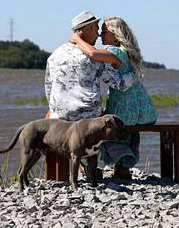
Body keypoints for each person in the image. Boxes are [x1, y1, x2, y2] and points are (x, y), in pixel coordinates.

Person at [45, 11, 135, 179]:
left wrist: (54, 109)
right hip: (87, 118)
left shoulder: (54, 55)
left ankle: (79, 167)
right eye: (95, 28)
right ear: (83, 30)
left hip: (58, 118)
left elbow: (48, 89)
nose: (98, 34)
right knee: (115, 122)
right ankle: (121, 164)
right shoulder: (93, 58)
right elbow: (120, 84)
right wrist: (135, 74)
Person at [70, 16, 157, 179]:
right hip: (146, 113)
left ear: (115, 35)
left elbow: (92, 53)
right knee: (127, 131)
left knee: (100, 128)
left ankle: (85, 163)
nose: (101, 35)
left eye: (104, 31)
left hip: (125, 113)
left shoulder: (114, 51)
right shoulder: (130, 53)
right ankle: (123, 167)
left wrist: (76, 39)